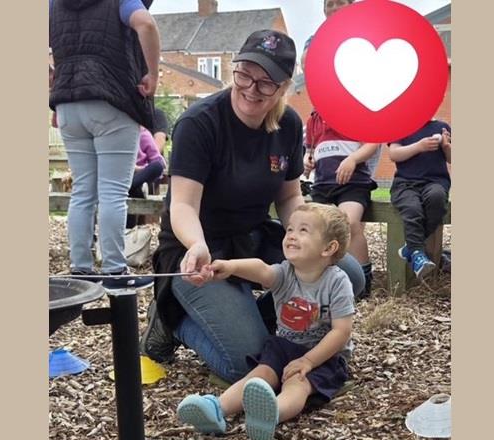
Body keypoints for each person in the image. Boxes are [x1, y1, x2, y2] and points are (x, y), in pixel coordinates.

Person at [140, 29, 365, 382]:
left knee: (345, 273)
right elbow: (182, 205)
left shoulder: (288, 124)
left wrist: (312, 235)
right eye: (244, 73)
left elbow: (289, 197)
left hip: (254, 237)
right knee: (244, 366)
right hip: (200, 248)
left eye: (266, 82)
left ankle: (243, 319)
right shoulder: (200, 123)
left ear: (284, 86)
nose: (250, 88)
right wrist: (196, 246)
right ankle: (173, 321)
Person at [176, 204, 355, 440]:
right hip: (285, 345)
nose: (291, 235)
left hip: (323, 356)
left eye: (303, 230)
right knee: (260, 374)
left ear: (328, 248)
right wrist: (230, 266)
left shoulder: (337, 282)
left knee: (297, 383)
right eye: (289, 228)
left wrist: (308, 361)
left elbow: (341, 331)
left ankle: (272, 413)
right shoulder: (285, 273)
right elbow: (261, 270)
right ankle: (217, 408)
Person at [49, 0, 160, 291]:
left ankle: (81, 270)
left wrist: (54, 81)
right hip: (111, 99)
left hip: (68, 103)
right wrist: (153, 74)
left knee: (83, 190)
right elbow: (146, 24)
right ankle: (115, 271)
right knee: (113, 191)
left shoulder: (54, 4)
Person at [303, 111, 379, 297]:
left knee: (350, 223)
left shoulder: (354, 112)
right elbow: (310, 150)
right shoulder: (313, 120)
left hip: (353, 183)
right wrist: (308, 160)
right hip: (323, 183)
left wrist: (352, 159)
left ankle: (362, 281)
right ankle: (322, 281)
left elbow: (372, 143)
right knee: (319, 228)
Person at [387, 119, 452, 278]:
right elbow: (394, 154)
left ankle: (411, 247)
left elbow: (451, 158)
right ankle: (417, 253)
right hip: (405, 183)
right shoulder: (400, 126)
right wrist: (419, 146)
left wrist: (446, 146)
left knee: (437, 199)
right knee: (412, 208)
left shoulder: (441, 127)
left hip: (435, 182)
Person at [126, 126, 166, 229]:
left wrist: (138, 168)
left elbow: (159, 161)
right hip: (121, 176)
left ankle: (130, 187)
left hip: (139, 176)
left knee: (157, 166)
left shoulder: (143, 133)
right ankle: (133, 188)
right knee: (133, 191)